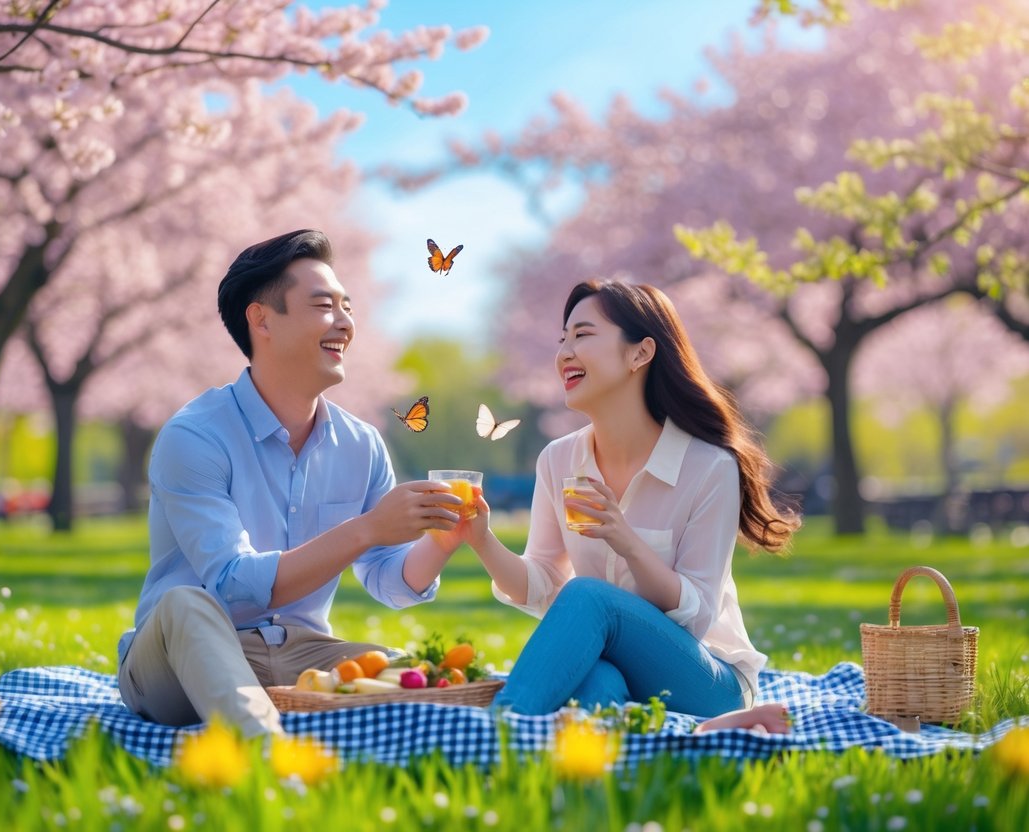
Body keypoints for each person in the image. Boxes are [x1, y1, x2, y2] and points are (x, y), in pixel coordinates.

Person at [116, 229, 469, 737]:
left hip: (300, 654)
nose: (345, 323)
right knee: (184, 604)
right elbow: (233, 586)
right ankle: (270, 755)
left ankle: (302, 722)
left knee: (425, 677)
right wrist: (368, 529)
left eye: (347, 307)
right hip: (179, 658)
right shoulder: (195, 435)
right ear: (261, 318)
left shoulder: (361, 444)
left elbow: (389, 581)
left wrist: (439, 541)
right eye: (325, 306)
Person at [464, 279, 800, 718]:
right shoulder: (558, 460)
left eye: (582, 335)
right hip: (622, 668)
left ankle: (496, 735)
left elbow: (695, 620)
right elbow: (544, 583)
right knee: (596, 683)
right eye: (562, 339)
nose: (564, 352)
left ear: (639, 353)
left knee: (589, 596)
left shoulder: (709, 467)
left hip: (709, 678)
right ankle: (584, 764)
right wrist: (481, 539)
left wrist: (625, 540)